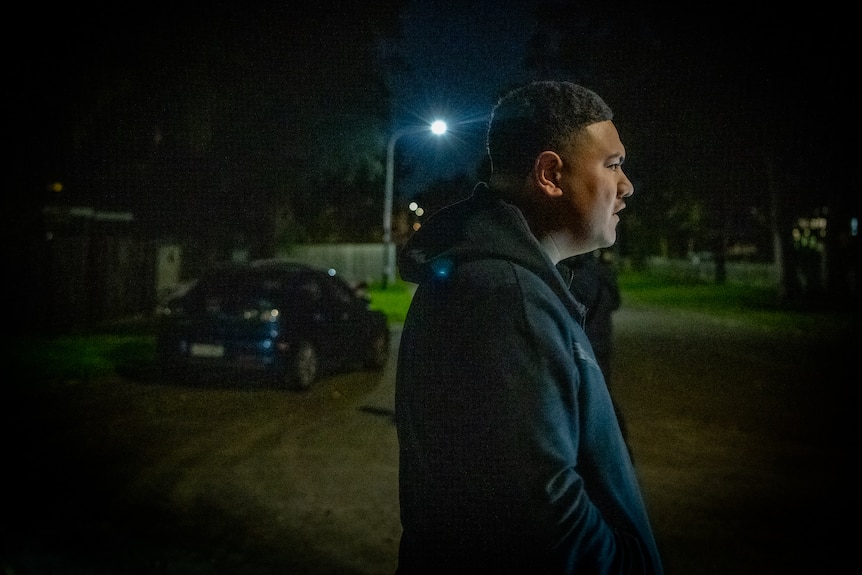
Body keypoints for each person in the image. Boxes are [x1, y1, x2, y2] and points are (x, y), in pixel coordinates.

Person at [394, 81, 663, 573]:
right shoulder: (505, 299)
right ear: (550, 174)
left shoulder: (506, 284)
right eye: (612, 165)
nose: (626, 186)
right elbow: (543, 520)